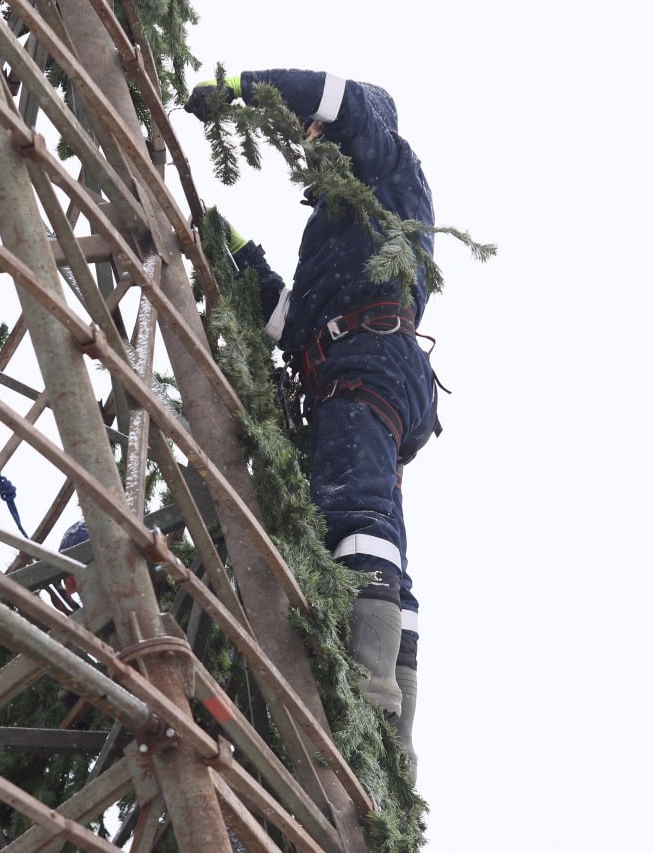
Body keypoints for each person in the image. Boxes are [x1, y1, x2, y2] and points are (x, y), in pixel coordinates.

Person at [185, 69, 440, 767]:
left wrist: (240, 87)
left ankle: (373, 691)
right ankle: (395, 738)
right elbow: (293, 322)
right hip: (353, 361)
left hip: (370, 356)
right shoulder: (329, 231)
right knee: (376, 525)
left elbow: (337, 96)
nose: (311, 140)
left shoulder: (388, 162)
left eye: (319, 134)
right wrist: (222, 241)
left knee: (353, 510)